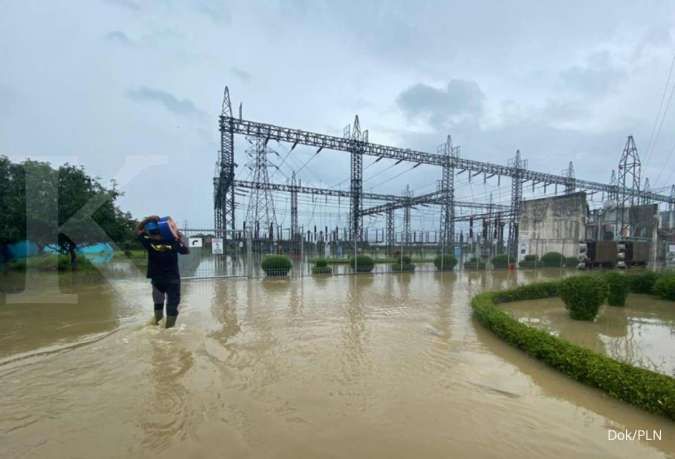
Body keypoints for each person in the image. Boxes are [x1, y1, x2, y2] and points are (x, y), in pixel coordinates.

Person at [136, 216, 189, 328]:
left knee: (158, 303)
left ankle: (157, 325)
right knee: (172, 306)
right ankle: (169, 330)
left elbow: (139, 230)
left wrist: (147, 219)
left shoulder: (149, 242)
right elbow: (186, 251)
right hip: (172, 280)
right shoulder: (173, 241)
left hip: (157, 280)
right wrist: (176, 232)